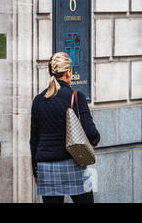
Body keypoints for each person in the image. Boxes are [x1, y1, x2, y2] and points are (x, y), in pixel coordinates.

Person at [30, 52, 100, 203]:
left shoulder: (38, 101)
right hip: (73, 163)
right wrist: (95, 140)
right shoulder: (76, 96)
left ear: (52, 72)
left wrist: (35, 171)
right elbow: (90, 131)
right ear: (69, 72)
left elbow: (33, 141)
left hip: (46, 167)